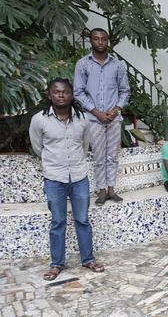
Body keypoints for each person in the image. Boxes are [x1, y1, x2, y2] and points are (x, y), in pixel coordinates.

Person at [29, 78, 105, 281]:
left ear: (72, 95)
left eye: (65, 92)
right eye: (56, 92)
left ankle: (88, 259)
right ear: (49, 95)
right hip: (54, 177)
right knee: (58, 221)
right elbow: (38, 147)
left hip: (79, 176)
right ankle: (56, 264)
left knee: (82, 219)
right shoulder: (39, 120)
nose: (61, 95)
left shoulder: (82, 119)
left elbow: (85, 144)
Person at [74, 28, 130, 206]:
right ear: (91, 41)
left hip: (114, 118)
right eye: (96, 39)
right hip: (93, 119)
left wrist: (116, 110)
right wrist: (96, 112)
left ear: (107, 42)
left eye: (103, 39)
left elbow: (125, 90)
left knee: (112, 155)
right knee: (99, 156)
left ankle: (112, 189)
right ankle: (101, 191)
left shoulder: (118, 65)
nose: (100, 42)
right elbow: (78, 92)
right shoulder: (83, 64)